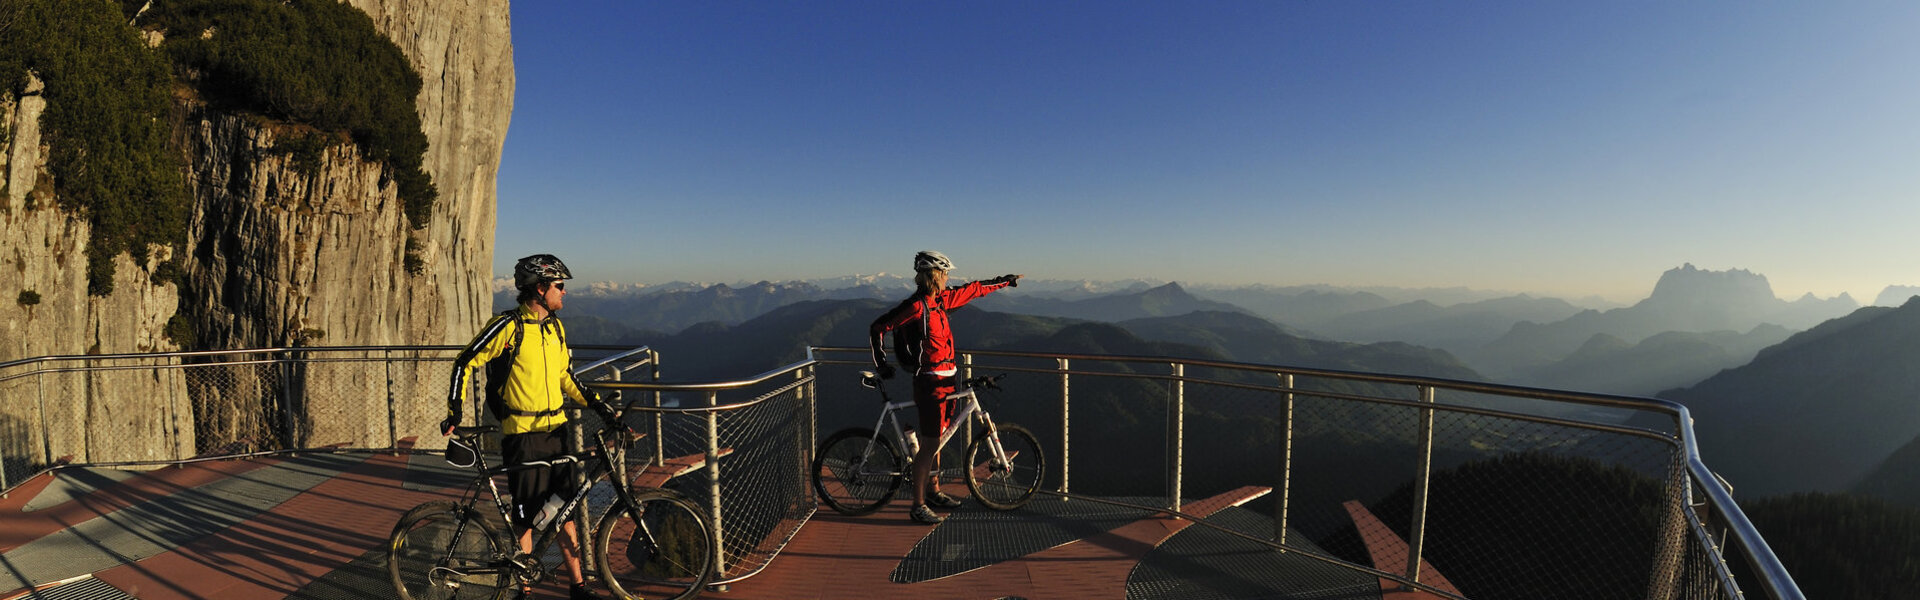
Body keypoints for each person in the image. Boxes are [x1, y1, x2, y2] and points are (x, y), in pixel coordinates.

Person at [442, 254, 621, 600]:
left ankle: (578, 587)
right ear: (540, 289)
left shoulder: (554, 326)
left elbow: (566, 378)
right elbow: (465, 361)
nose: (564, 293)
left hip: (558, 434)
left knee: (565, 511)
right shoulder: (508, 326)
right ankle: (522, 590)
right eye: (560, 286)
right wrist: (455, 412)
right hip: (523, 437)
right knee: (525, 517)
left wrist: (603, 408)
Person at [869, 250, 1022, 524]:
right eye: (946, 273)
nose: (948, 277)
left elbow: (973, 290)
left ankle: (934, 492)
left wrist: (1004, 281)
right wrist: (881, 364)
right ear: (935, 275)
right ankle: (917, 505)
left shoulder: (941, 300)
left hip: (948, 379)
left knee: (937, 439)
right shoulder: (917, 306)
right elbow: (878, 326)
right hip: (929, 382)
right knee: (929, 446)